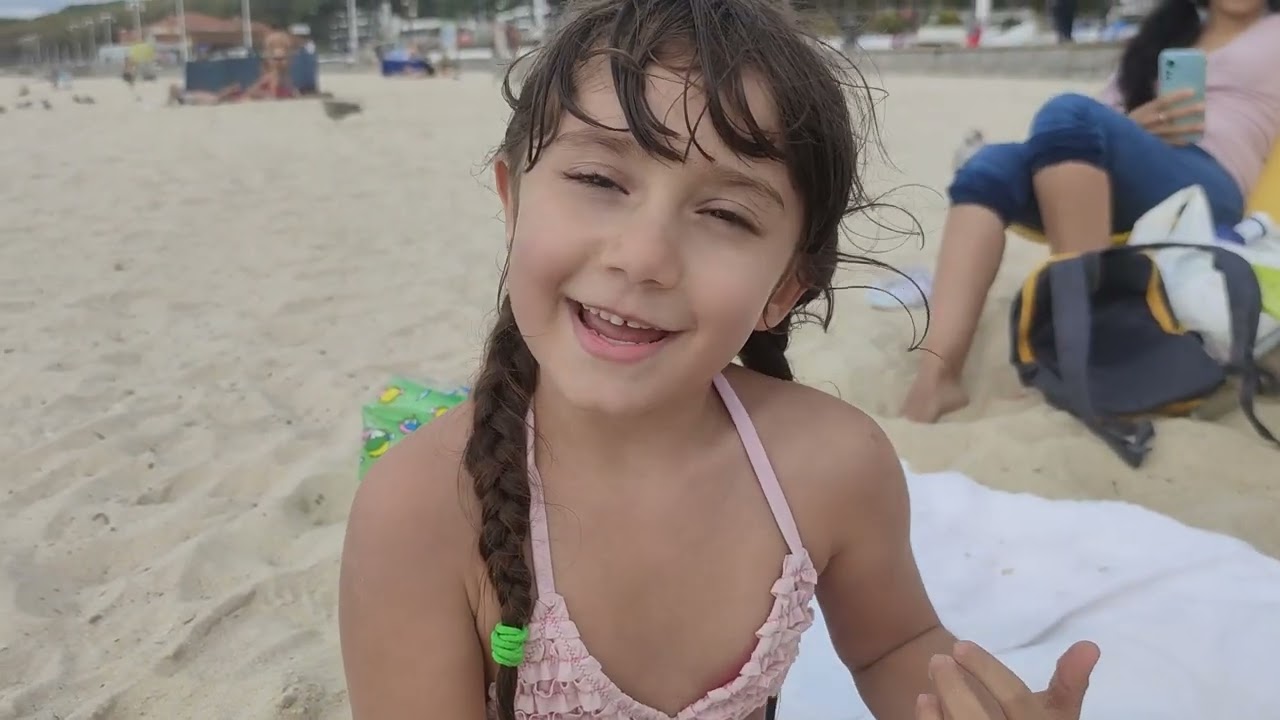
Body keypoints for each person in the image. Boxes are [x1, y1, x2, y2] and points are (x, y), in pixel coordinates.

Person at [338, 1, 1100, 719]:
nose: (643, 258)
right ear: (512, 202)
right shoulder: (422, 512)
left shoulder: (830, 463)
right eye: (599, 180)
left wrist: (965, 703)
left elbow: (893, 644)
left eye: (726, 214)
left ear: (784, 289)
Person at [900, 0, 1280, 423]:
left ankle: (1087, 352)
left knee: (1065, 109)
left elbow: (1079, 119)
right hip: (1118, 174)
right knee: (988, 165)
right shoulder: (1166, 33)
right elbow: (1099, 116)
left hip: (1210, 184)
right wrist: (1135, 123)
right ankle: (937, 377)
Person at [167, 32, 300, 106]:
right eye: (276, 59)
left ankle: (183, 95)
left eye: (283, 58)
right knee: (216, 99)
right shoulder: (271, 76)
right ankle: (182, 95)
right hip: (245, 98)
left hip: (246, 98)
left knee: (216, 98)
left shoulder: (281, 76)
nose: (280, 62)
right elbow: (255, 92)